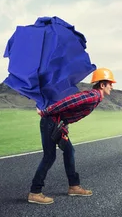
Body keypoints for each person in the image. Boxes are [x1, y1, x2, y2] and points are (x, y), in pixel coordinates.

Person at [27, 68, 116, 205]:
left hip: (57, 124)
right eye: (110, 83)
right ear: (102, 85)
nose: (112, 86)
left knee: (69, 151)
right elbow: (69, 101)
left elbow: (71, 110)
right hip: (50, 122)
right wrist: (46, 112)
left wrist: (64, 125)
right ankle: (35, 192)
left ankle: (74, 187)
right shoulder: (93, 95)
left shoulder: (96, 97)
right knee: (49, 157)